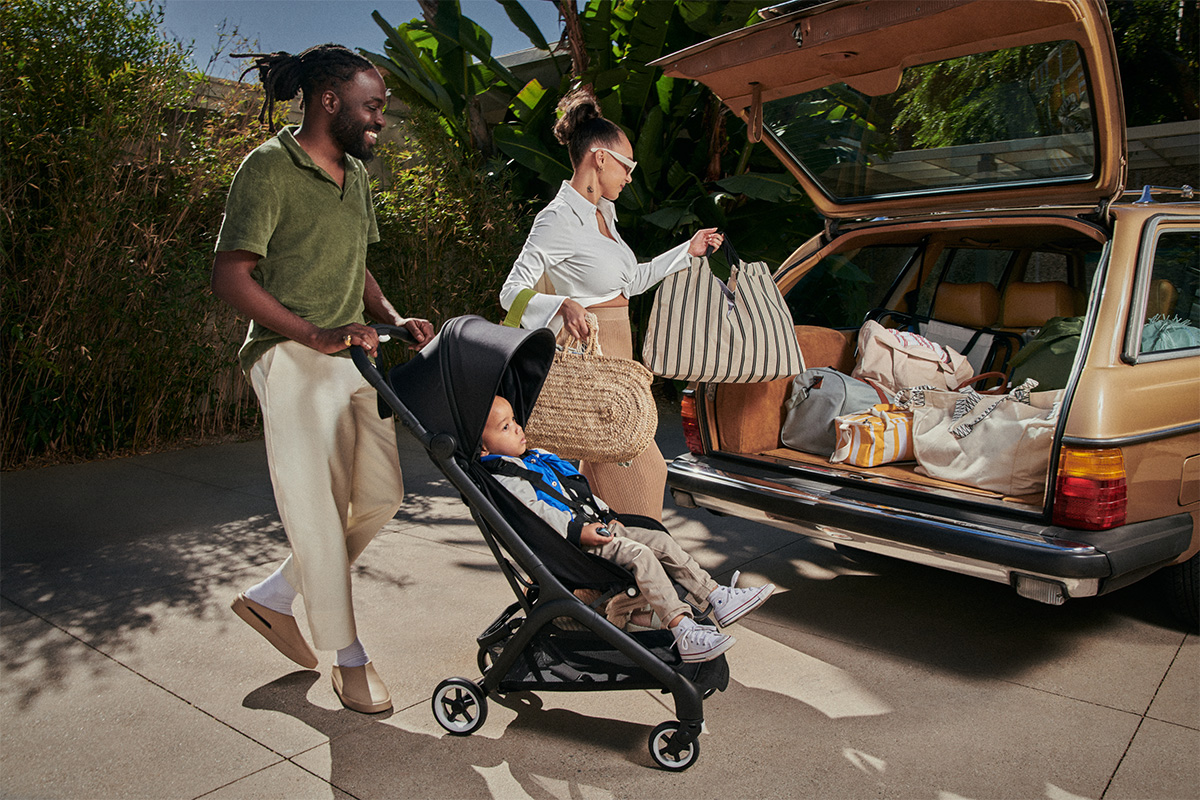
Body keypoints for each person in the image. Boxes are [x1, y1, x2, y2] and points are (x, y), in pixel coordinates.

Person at [211, 44, 434, 714]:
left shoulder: (356, 177)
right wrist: (311, 333)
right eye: (371, 107)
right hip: (288, 354)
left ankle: (273, 597)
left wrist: (395, 318)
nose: (380, 120)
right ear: (329, 101)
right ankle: (348, 658)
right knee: (315, 505)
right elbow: (230, 275)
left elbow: (357, 264)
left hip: (348, 356)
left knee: (380, 496)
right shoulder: (268, 169)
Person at [499, 86, 723, 524]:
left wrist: (686, 251)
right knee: (643, 473)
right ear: (600, 158)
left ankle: (600, 582)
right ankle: (631, 583)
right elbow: (512, 291)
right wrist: (562, 304)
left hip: (619, 359)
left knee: (588, 489)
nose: (630, 176)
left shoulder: (607, 215)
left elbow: (630, 282)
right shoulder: (557, 219)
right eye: (627, 165)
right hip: (589, 368)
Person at [480, 395, 774, 663]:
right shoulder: (508, 480)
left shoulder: (536, 459)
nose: (518, 429)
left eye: (515, 421)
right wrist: (578, 532)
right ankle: (681, 629)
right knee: (642, 555)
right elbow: (539, 516)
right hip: (576, 546)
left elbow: (577, 490)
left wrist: (607, 514)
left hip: (599, 527)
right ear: (483, 448)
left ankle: (715, 596)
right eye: (505, 427)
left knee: (660, 540)